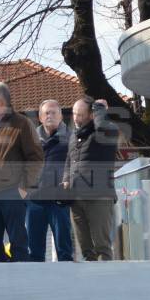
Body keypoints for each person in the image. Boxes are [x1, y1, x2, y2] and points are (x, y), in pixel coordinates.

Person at [0, 81, 43, 262]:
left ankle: (22, 286)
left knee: (18, 244)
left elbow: (36, 159)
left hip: (12, 194)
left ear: (1, 100)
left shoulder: (22, 124)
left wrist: (23, 189)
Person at [64, 96, 121, 261]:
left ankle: (106, 283)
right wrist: (66, 179)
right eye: (74, 114)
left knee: (101, 247)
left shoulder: (106, 131)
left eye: (80, 114)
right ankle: (90, 284)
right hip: (76, 197)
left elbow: (102, 126)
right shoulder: (74, 136)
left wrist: (100, 110)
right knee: (86, 249)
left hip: (99, 197)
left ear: (91, 115)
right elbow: (69, 161)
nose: (76, 118)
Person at [26, 99, 75, 262]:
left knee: (64, 251)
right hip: (34, 201)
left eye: (54, 113)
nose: (50, 116)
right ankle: (37, 286)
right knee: (35, 252)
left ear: (61, 116)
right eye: (46, 113)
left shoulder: (71, 139)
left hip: (59, 200)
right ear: (40, 117)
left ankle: (66, 284)